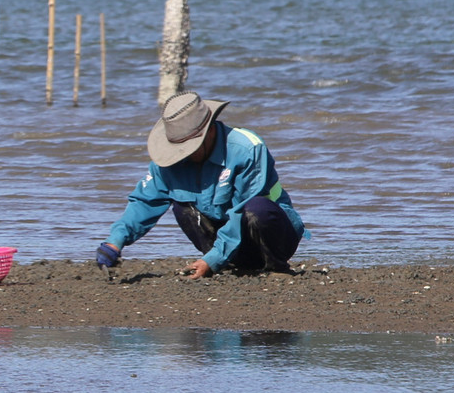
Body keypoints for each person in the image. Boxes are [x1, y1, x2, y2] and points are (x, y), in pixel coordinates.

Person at [97, 91, 306, 278]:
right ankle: (225, 261)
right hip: (221, 240)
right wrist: (115, 241)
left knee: (256, 209)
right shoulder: (169, 163)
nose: (182, 156)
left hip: (273, 237)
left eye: (190, 148)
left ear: (210, 132)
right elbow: (145, 202)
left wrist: (212, 260)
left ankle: (276, 269)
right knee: (182, 207)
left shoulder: (247, 149)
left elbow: (240, 212)